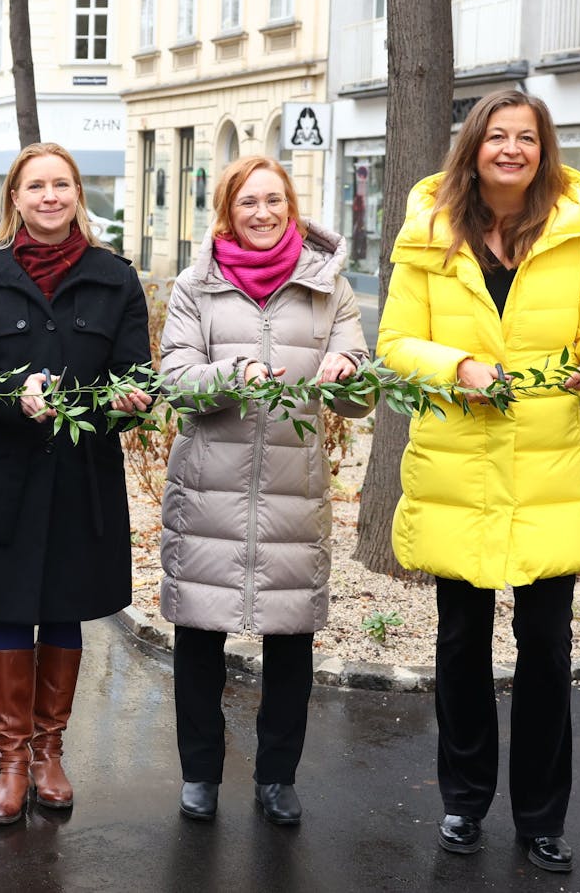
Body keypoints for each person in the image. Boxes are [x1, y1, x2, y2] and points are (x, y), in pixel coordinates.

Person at [377, 89, 580, 874]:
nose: (513, 149)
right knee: (460, 644)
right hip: (458, 463)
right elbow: (395, 340)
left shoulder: (575, 230)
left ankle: (542, 815)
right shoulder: (430, 229)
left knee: (547, 650)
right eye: (498, 136)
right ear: (474, 146)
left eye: (527, 137)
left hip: (548, 467)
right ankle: (463, 799)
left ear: (543, 148)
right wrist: (457, 366)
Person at [0, 142, 152, 824]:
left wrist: (127, 402)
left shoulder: (115, 276)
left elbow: (137, 372)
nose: (50, 196)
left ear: (77, 193)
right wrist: (11, 394)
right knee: (9, 609)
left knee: (63, 608)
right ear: (16, 197)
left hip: (80, 474)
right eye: (37, 186)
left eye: (62, 184)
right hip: (1, 474)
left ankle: (50, 753)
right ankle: (10, 761)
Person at [157, 155, 371, 826]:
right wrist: (233, 371)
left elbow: (362, 392)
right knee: (198, 635)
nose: (262, 212)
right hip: (208, 488)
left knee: (290, 639)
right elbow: (175, 376)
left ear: (291, 205)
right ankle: (200, 774)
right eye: (247, 201)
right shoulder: (198, 284)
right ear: (228, 209)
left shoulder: (327, 286)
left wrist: (346, 371)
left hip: (291, 490)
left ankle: (277, 777)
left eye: (274, 199)